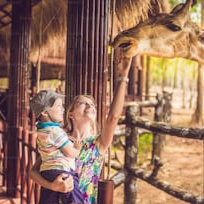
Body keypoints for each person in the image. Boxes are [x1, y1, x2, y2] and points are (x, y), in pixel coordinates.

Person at [29, 56, 132, 204]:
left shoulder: (98, 144)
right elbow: (33, 172)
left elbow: (113, 117)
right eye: (82, 103)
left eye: (92, 104)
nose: (89, 105)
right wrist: (52, 185)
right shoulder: (61, 138)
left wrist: (123, 78)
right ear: (70, 114)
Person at [30, 89, 84, 204]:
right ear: (45, 112)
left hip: (47, 173)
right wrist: (77, 148)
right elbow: (70, 153)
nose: (63, 109)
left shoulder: (42, 131)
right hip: (62, 172)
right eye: (58, 106)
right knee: (76, 200)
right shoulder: (55, 131)